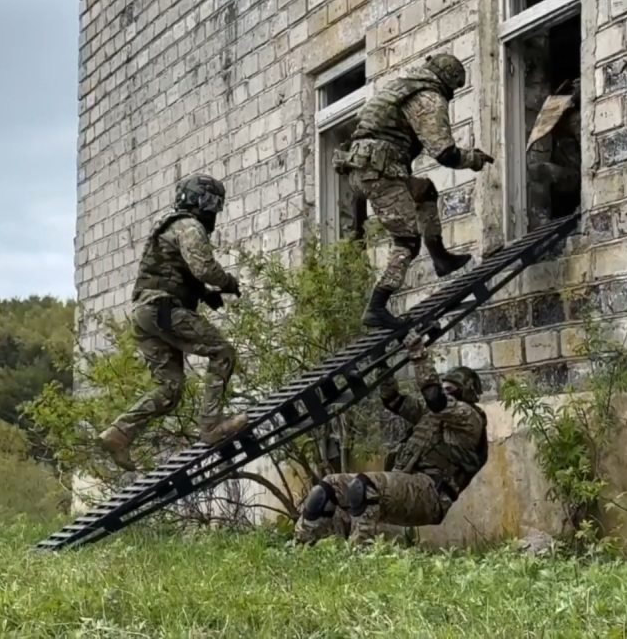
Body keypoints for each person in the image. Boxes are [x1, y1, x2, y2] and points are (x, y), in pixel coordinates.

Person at [97, 174, 248, 471]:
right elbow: (204, 268)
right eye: (213, 205)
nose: (214, 212)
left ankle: (119, 433)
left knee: (170, 389)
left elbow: (174, 272)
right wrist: (227, 283)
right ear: (202, 202)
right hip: (162, 310)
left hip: (145, 313)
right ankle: (211, 426)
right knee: (223, 352)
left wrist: (204, 295)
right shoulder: (189, 226)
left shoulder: (169, 225)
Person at [336, 52, 496, 330]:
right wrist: (474, 159)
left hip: (365, 169)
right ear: (448, 81)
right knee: (407, 240)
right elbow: (444, 153)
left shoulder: (402, 85)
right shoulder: (428, 97)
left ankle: (441, 259)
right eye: (454, 89)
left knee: (424, 191)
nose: (453, 96)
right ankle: (376, 306)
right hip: (380, 172)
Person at [293, 331, 489, 546]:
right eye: (444, 387)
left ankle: (359, 558)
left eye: (451, 389)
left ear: (466, 393)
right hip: (404, 483)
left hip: (430, 495)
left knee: (364, 487)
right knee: (328, 487)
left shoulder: (470, 418)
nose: (446, 392)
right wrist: (382, 364)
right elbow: (392, 400)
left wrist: (418, 354)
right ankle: (301, 548)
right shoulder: (430, 415)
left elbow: (435, 398)